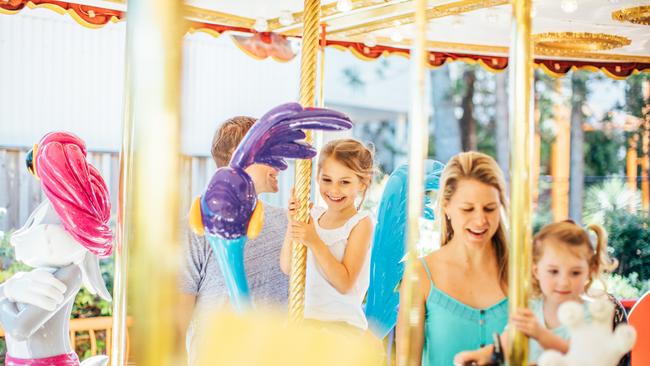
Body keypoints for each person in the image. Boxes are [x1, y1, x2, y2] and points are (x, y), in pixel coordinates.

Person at [178, 116, 288, 364]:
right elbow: (177, 322)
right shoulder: (193, 230)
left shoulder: (288, 223)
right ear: (243, 157)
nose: (281, 167)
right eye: (271, 156)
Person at [396, 151, 510, 366]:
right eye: (467, 209)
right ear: (446, 206)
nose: (480, 220)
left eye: (490, 209)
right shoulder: (420, 275)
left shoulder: (518, 273)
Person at [454, 220, 618, 365]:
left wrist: (541, 334)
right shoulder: (531, 308)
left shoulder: (591, 316)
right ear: (537, 271)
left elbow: (583, 357)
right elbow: (507, 343)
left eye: (575, 273)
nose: (564, 282)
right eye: (553, 271)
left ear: (590, 271)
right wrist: (481, 354)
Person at [280, 139, 374, 331]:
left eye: (345, 182)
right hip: (307, 319)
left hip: (342, 324)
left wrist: (314, 241)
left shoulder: (360, 223)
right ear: (317, 177)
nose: (334, 190)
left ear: (363, 183)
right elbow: (288, 267)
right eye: (327, 180)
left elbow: (344, 283)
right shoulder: (312, 216)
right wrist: (293, 224)